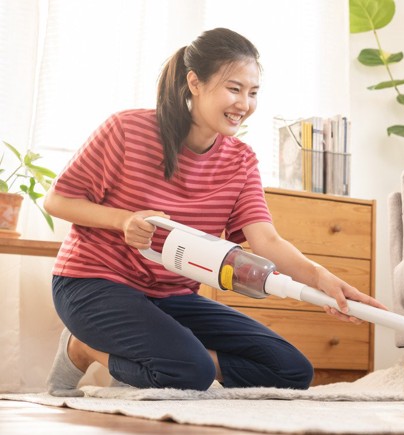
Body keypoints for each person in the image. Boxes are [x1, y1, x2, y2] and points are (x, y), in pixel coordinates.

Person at [44, 27, 385, 396]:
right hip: (94, 284)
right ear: (194, 82)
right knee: (192, 371)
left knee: (291, 370)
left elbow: (265, 240)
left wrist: (324, 280)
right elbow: (58, 201)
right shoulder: (127, 129)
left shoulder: (240, 161)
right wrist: (124, 219)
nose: (244, 103)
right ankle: (83, 346)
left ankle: (160, 362)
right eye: (234, 88)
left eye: (253, 93)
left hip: (172, 296)